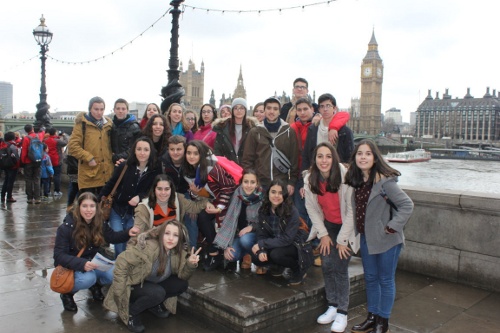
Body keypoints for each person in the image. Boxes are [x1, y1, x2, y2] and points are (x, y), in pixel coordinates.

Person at [345, 140, 414, 333]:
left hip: (387, 240)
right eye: (360, 153)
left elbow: (407, 206)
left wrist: (392, 227)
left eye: (368, 154)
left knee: (385, 279)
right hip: (367, 238)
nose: (363, 157)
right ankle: (372, 317)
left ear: (375, 158)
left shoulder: (385, 182)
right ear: (355, 157)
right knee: (370, 278)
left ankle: (383, 321)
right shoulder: (358, 181)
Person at [104, 220, 200, 333]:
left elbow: (183, 275)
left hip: (153, 283)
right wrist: (119, 290)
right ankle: (131, 313)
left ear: (180, 239)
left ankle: (153, 304)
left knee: (181, 284)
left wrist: (190, 264)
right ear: (161, 233)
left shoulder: (177, 251)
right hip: (134, 285)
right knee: (157, 293)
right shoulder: (149, 247)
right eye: (167, 233)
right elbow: (121, 261)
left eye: (175, 235)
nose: (170, 238)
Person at [53, 192, 139, 312]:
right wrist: (82, 264)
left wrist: (128, 232)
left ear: (96, 207)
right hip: (73, 265)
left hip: (93, 262)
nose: (88, 210)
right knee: (88, 278)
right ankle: (67, 293)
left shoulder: (99, 222)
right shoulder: (66, 227)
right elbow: (58, 256)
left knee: (116, 271)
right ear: (78, 208)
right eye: (85, 206)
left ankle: (95, 286)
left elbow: (112, 237)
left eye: (92, 206)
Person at [303, 142, 358, 332]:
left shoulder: (346, 176)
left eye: (328, 156)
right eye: (320, 156)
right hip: (328, 226)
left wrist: (342, 240)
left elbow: (352, 211)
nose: (324, 160)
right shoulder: (310, 178)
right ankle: (332, 306)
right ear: (315, 159)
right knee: (327, 265)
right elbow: (312, 208)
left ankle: (343, 312)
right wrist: (324, 234)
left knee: (340, 268)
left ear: (334, 158)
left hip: (347, 227)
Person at [99, 137, 161, 257]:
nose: (142, 153)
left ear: (151, 152)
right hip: (118, 209)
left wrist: (140, 197)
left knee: (130, 240)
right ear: (134, 151)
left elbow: (155, 189)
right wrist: (98, 199)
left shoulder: (155, 169)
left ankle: (125, 265)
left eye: (146, 150)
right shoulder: (124, 166)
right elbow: (111, 184)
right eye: (139, 149)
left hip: (136, 213)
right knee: (118, 240)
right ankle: (119, 265)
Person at [182, 140, 239, 271]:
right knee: (202, 216)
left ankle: (222, 253)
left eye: (195, 153)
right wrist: (196, 194)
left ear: (201, 154)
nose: (191, 156)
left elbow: (229, 187)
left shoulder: (212, 167)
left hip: (231, 198)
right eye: (189, 153)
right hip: (215, 198)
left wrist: (219, 207)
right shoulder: (190, 169)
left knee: (211, 219)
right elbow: (200, 193)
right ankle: (215, 251)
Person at [251, 179, 309, 285]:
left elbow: (287, 239)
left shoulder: (291, 211)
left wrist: (262, 244)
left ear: (285, 195)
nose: (276, 196)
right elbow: (261, 233)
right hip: (275, 242)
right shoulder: (263, 210)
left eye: (280, 193)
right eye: (273, 192)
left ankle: (298, 269)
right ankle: (278, 266)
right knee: (256, 256)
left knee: (276, 254)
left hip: (295, 245)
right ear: (268, 193)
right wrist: (262, 250)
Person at [242, 97, 299, 192]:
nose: (272, 111)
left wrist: (291, 182)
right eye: (268, 108)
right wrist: (252, 181)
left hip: (281, 183)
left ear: (279, 112)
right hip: (260, 184)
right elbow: (248, 160)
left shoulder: (289, 132)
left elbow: (294, 160)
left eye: (275, 109)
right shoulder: (255, 132)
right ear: (264, 110)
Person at [212, 169, 263, 270]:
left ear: (257, 184)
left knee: (246, 239)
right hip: (239, 234)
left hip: (257, 235)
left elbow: (266, 223)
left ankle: (259, 260)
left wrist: (251, 227)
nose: (248, 185)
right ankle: (247, 253)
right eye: (246, 182)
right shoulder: (236, 195)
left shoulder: (262, 197)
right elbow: (229, 220)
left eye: (252, 182)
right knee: (231, 256)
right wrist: (227, 245)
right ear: (241, 182)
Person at [133, 174, 212, 236]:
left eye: (167, 189)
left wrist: (206, 203)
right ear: (154, 189)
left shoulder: (178, 200)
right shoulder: (143, 208)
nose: (163, 193)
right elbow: (136, 234)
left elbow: (195, 207)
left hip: (174, 243)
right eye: (159, 189)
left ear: (172, 190)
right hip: (153, 246)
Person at [68, 97, 113, 195]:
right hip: (89, 176)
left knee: (104, 208)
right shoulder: (82, 125)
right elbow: (72, 146)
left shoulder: (109, 125)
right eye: (96, 109)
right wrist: (88, 158)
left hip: (106, 174)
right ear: (90, 109)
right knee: (89, 207)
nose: (99, 112)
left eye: (101, 109)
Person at [159, 135, 198, 249]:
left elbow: (198, 185)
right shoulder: (163, 162)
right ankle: (167, 248)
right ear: (168, 149)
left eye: (179, 149)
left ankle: (191, 249)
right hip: (168, 194)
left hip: (187, 194)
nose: (175, 152)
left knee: (191, 217)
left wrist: (194, 201)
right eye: (172, 149)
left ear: (184, 149)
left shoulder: (190, 162)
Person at [302, 93, 353, 171]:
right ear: (319, 109)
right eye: (322, 106)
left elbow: (350, 157)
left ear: (334, 108)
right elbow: (306, 155)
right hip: (316, 175)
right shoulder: (312, 129)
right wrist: (306, 174)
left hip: (337, 175)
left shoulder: (345, 132)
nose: (325, 109)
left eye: (328, 106)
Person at [212, 98, 258, 165]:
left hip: (247, 168)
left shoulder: (253, 128)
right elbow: (218, 151)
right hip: (228, 169)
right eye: (236, 108)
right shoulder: (222, 128)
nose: (238, 110)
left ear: (245, 110)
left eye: (242, 108)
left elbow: (256, 153)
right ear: (232, 111)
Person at [110, 98, 142, 164]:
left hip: (128, 163)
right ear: (114, 110)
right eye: (118, 108)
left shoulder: (134, 127)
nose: (120, 111)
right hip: (112, 164)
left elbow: (135, 148)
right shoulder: (111, 126)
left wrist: (116, 157)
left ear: (127, 110)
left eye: (123, 109)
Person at [20, 124, 45, 204]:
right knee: (37, 179)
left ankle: (30, 198)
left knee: (28, 179)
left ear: (26, 131)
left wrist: (23, 161)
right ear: (33, 129)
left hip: (28, 161)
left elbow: (24, 151)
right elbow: (43, 132)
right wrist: (42, 128)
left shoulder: (26, 138)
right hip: (38, 161)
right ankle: (37, 198)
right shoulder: (38, 136)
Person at [44, 127, 68, 197]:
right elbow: (65, 142)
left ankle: (47, 191)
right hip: (56, 160)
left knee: (48, 176)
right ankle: (56, 191)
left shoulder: (45, 140)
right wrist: (64, 135)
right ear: (55, 133)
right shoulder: (57, 141)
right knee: (57, 175)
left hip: (48, 160)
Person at [0, 132, 20, 203]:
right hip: (12, 166)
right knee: (10, 182)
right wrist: (17, 164)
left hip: (4, 164)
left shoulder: (3, 144)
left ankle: (2, 196)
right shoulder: (12, 145)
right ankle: (9, 196)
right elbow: (16, 156)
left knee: (6, 180)